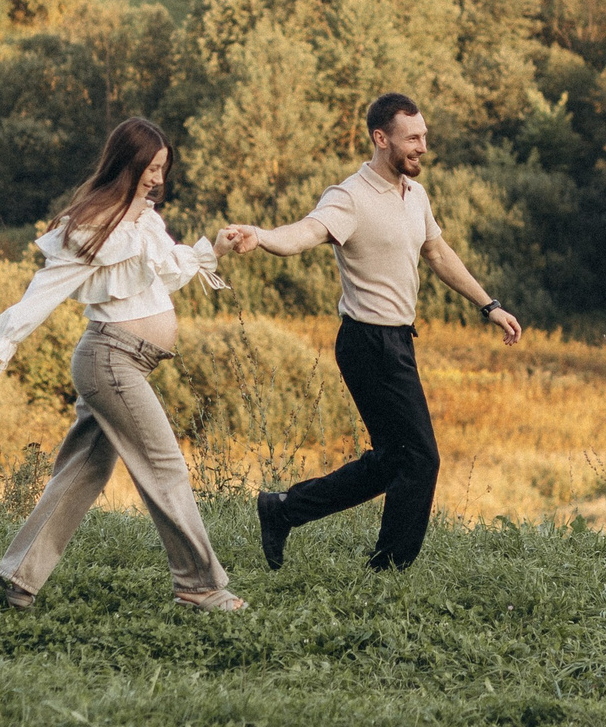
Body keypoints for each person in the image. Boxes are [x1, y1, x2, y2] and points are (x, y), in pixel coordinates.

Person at [218, 92, 522, 572]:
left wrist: (490, 306)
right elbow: (306, 232)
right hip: (367, 343)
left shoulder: (414, 194)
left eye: (424, 136)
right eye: (413, 138)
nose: (422, 146)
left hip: (397, 341)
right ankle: (389, 568)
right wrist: (262, 236)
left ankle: (282, 509)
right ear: (382, 139)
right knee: (421, 459)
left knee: (392, 461)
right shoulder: (350, 197)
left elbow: (439, 254)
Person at [0, 117, 247, 613]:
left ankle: (17, 580)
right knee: (164, 466)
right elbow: (49, 286)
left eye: (163, 169)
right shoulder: (97, 223)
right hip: (111, 359)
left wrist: (214, 251)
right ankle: (198, 586)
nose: (157, 178)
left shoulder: (144, 221)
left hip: (125, 363)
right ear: (128, 163)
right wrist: (3, 340)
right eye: (150, 167)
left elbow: (168, 272)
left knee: (82, 470)